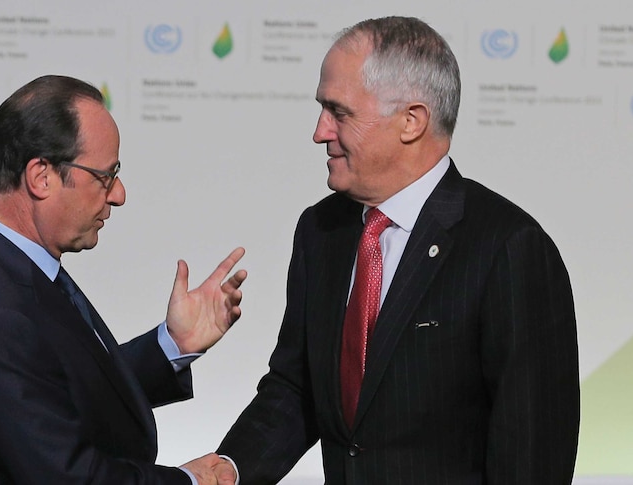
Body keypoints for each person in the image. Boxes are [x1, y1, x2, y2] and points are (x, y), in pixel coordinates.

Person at [217, 16, 580, 484]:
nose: (319, 131)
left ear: (411, 121)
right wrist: (223, 472)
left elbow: (532, 456)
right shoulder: (319, 231)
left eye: (339, 112)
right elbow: (299, 388)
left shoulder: (508, 249)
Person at [0, 75, 245, 484]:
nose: (119, 193)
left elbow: (57, 388)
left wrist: (172, 346)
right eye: (105, 175)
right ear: (41, 176)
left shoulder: (2, 260)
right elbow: (68, 477)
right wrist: (190, 482)